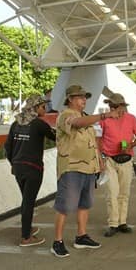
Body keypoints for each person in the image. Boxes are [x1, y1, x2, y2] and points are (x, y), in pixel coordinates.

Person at [52, 85, 118, 258]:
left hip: (88, 167)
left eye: (85, 97)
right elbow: (77, 124)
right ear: (70, 99)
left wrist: (99, 160)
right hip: (71, 167)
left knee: (85, 203)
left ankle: (81, 236)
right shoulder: (65, 115)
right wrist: (104, 115)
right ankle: (57, 241)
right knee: (65, 206)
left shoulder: (86, 117)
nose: (84, 100)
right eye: (80, 97)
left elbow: (93, 141)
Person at [5, 95, 56, 247]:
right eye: (42, 106)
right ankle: (26, 237)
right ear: (34, 108)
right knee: (28, 202)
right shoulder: (39, 124)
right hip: (33, 169)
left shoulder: (16, 124)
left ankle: (28, 228)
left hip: (18, 168)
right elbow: (57, 137)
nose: (45, 109)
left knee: (26, 200)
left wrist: (14, 163)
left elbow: (8, 147)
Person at [99, 91, 136, 237]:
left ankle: (122, 222)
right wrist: (100, 158)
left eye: (116, 106)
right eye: (112, 106)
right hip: (110, 159)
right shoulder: (105, 120)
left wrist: (130, 146)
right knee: (112, 193)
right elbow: (99, 139)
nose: (114, 109)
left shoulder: (131, 119)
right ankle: (113, 223)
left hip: (126, 159)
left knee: (124, 193)